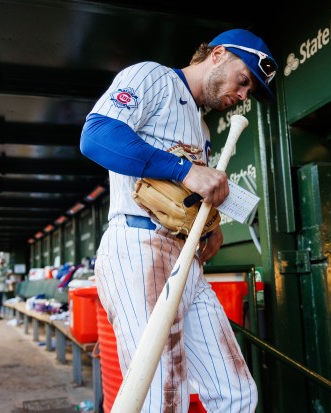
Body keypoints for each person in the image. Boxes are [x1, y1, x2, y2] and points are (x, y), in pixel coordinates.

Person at [80, 28, 277, 412]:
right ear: (218, 54)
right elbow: (96, 135)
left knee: (237, 394)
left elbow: (187, 190)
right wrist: (185, 170)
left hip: (186, 259)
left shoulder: (202, 128)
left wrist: (211, 226)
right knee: (160, 399)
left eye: (249, 91)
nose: (242, 95)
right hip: (139, 246)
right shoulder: (153, 77)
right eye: (243, 81)